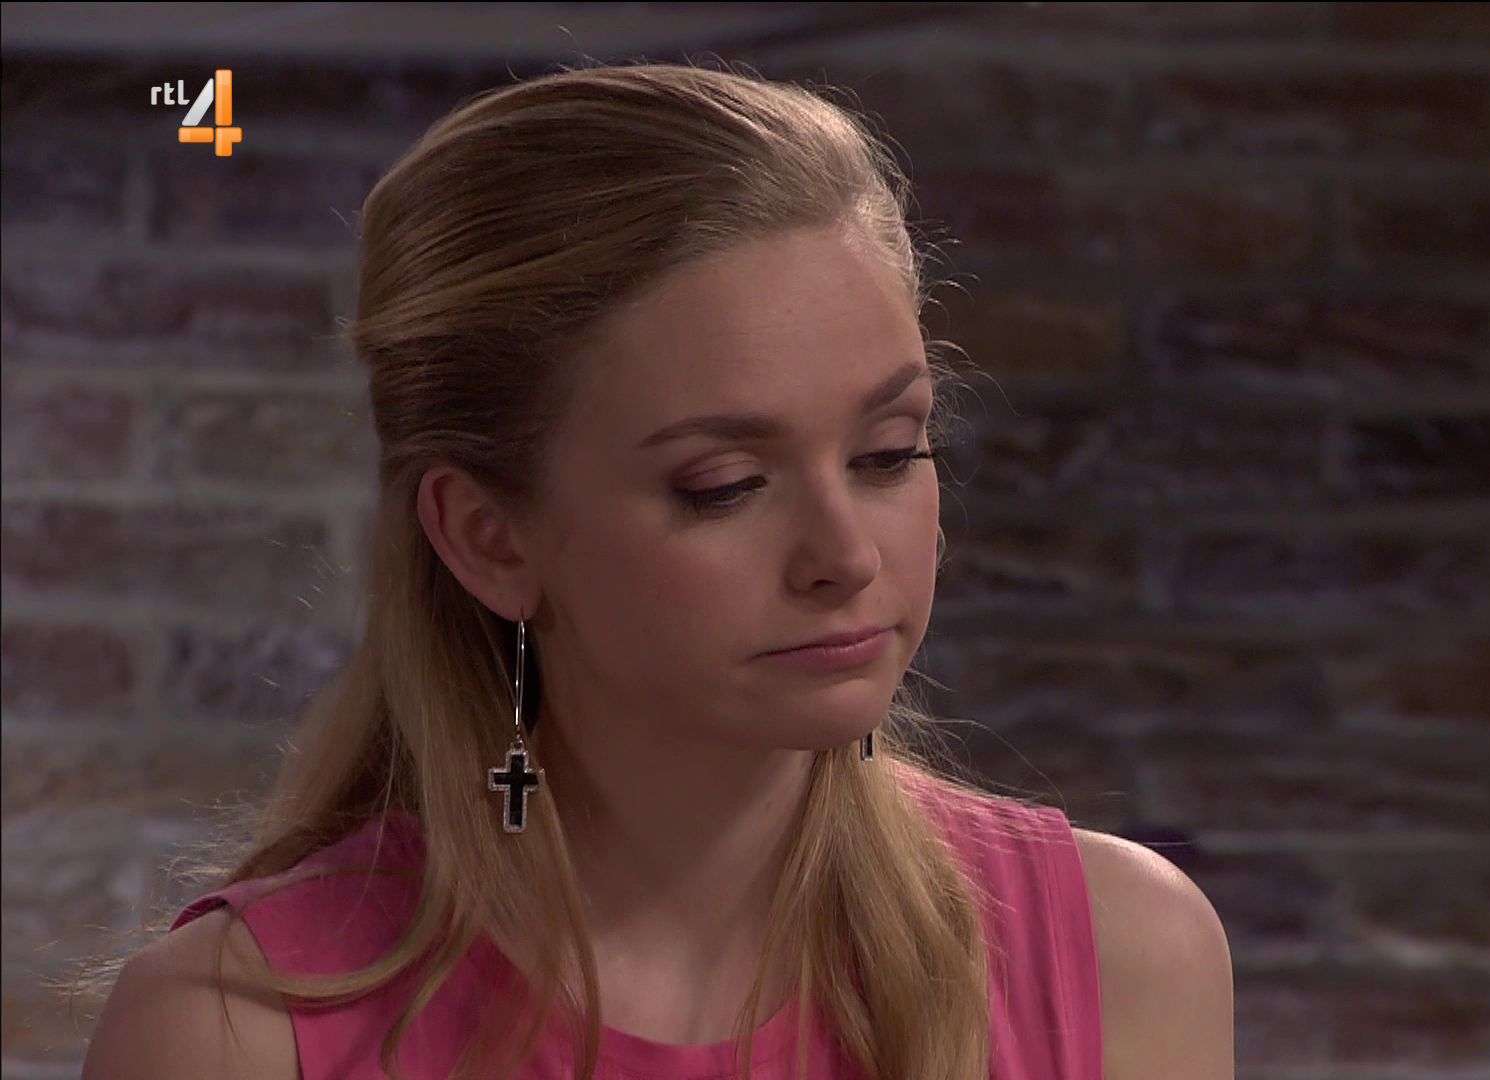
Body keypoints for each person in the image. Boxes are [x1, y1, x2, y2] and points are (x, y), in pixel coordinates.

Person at [72, 59, 1234, 1080]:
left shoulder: (1121, 956)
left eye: (888, 453)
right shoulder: (235, 1036)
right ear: (490, 538)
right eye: (724, 484)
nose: (845, 556)